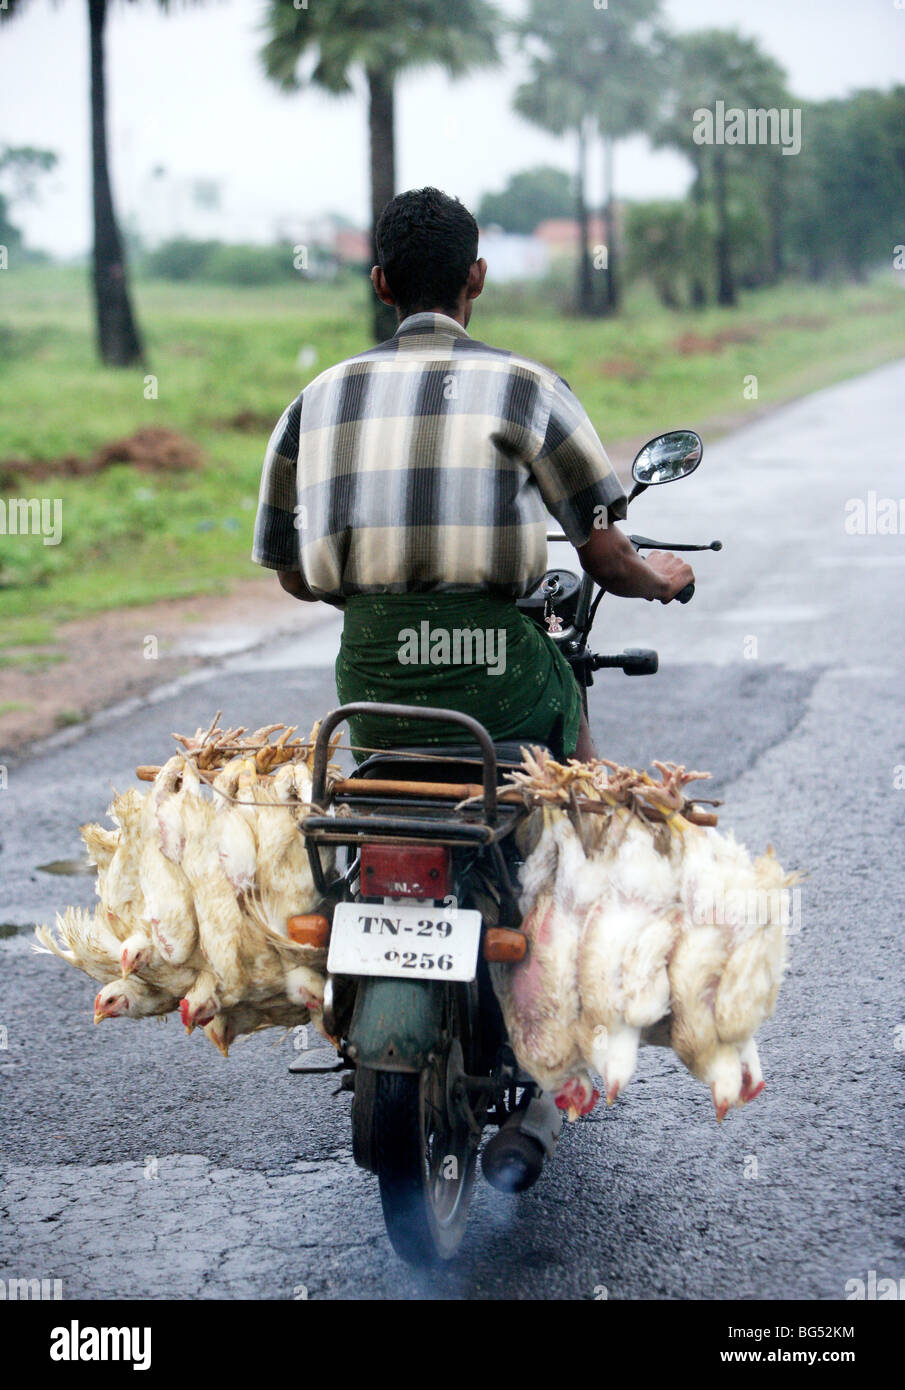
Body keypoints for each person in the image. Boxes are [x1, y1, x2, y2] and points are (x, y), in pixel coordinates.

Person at [252, 187, 694, 762]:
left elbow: (295, 579)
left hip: (372, 701)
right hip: (501, 689)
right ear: (477, 277)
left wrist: (388, 597)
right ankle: (588, 837)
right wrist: (659, 578)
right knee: (578, 751)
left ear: (382, 282)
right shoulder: (531, 389)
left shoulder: (312, 402)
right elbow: (608, 561)